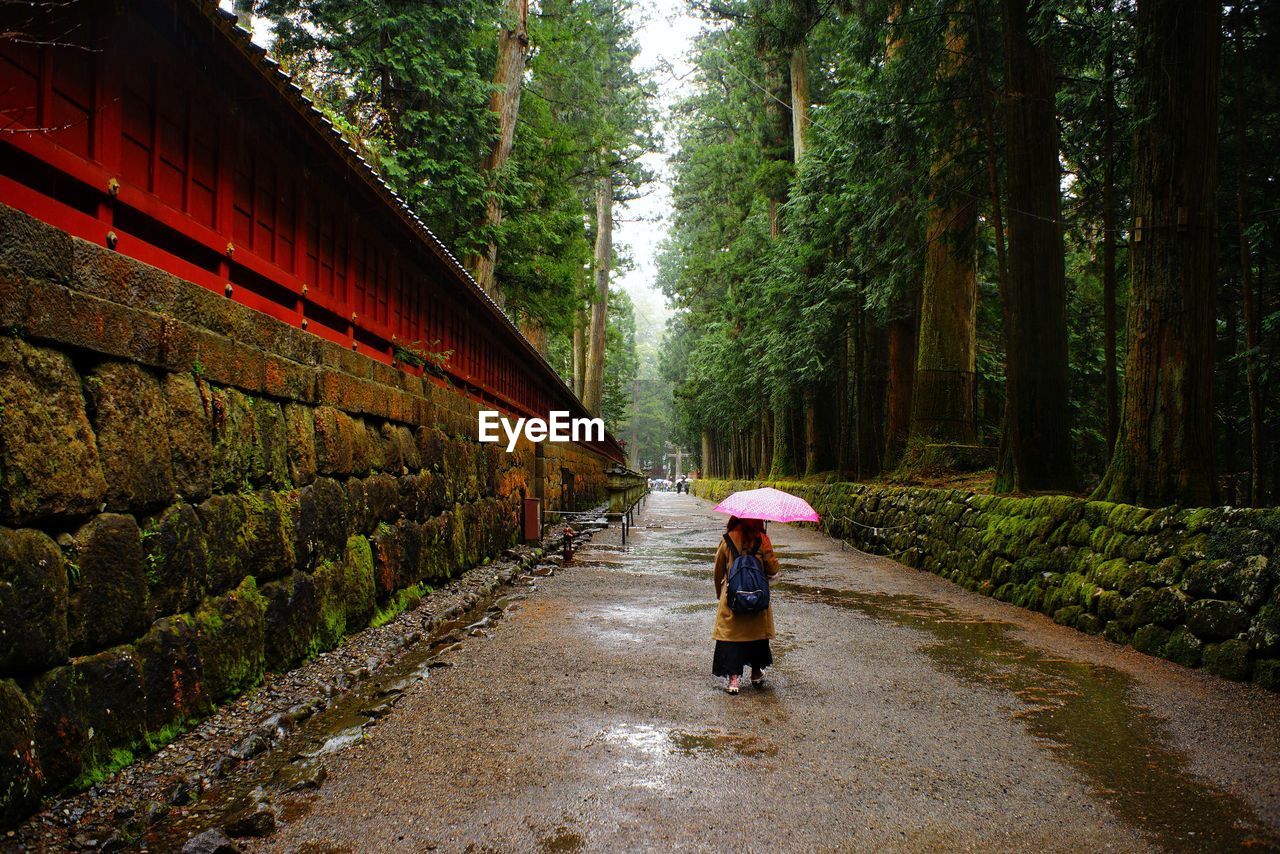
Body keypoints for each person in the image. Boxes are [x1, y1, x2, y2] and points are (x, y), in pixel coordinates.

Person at [712, 516, 781, 694]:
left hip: (733, 597)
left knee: (731, 637)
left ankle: (733, 680)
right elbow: (773, 569)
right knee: (757, 635)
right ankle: (756, 673)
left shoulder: (728, 539)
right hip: (756, 598)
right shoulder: (762, 539)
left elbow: (718, 569)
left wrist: (720, 593)